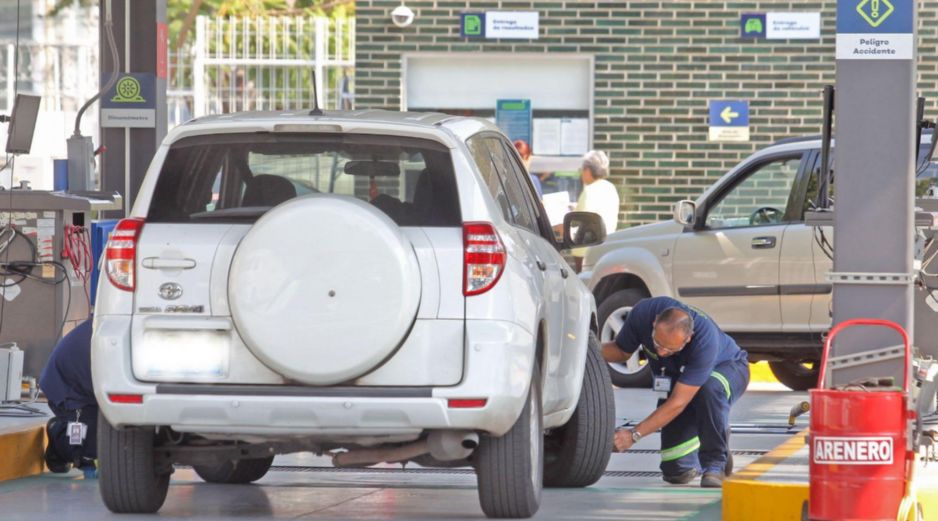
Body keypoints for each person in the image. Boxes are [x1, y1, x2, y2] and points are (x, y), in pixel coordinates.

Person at [600, 297, 749, 488]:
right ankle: (712, 429)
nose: (661, 353)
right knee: (676, 472)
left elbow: (678, 402)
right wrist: (589, 347)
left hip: (730, 369)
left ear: (688, 338)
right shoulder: (642, 314)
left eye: (670, 349)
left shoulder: (705, 341)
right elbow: (622, 351)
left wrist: (633, 435)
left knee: (709, 388)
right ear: (654, 323)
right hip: (680, 382)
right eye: (657, 343)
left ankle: (715, 463)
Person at [39, 318, 98, 474]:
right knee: (89, 448)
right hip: (69, 392)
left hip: (89, 390)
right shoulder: (106, 334)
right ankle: (58, 439)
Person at [571, 150, 619, 271]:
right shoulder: (610, 188)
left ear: (587, 170)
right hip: (606, 246)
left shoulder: (589, 191)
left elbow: (582, 222)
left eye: (582, 169)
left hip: (585, 251)